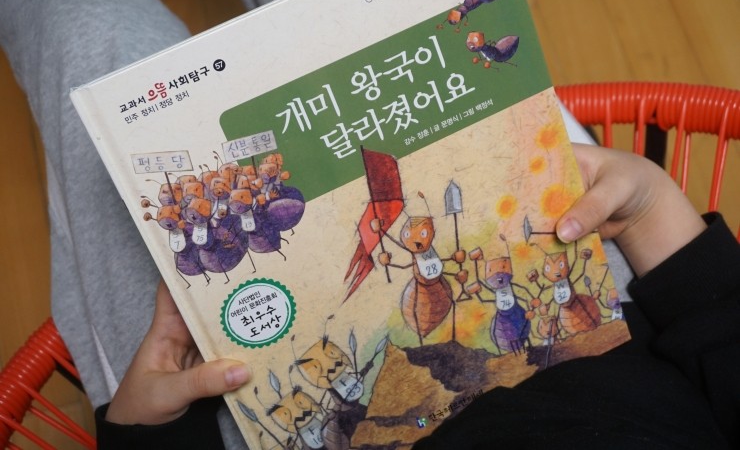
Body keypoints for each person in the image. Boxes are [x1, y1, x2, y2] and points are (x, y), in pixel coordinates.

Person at [95, 143, 740, 449]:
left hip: (244, 404)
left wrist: (142, 429)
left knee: (89, 39)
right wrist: (649, 211)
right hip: (613, 300)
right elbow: (725, 327)